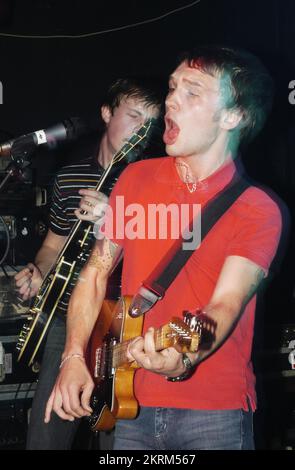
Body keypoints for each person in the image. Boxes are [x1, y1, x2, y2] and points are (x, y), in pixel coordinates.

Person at [45, 46, 285, 450]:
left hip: (214, 412)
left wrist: (185, 358)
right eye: (173, 87)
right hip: (130, 405)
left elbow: (224, 305)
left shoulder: (257, 210)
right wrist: (73, 357)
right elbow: (95, 273)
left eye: (193, 91)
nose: (171, 99)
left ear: (234, 116)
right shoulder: (136, 178)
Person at [14, 77, 163, 450]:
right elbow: (52, 246)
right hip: (70, 322)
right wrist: (38, 271)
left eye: (150, 122)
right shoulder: (69, 178)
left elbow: (161, 255)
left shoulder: (154, 181)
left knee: (118, 437)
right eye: (133, 116)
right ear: (106, 113)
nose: (141, 130)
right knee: (47, 436)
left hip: (123, 323)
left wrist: (115, 218)